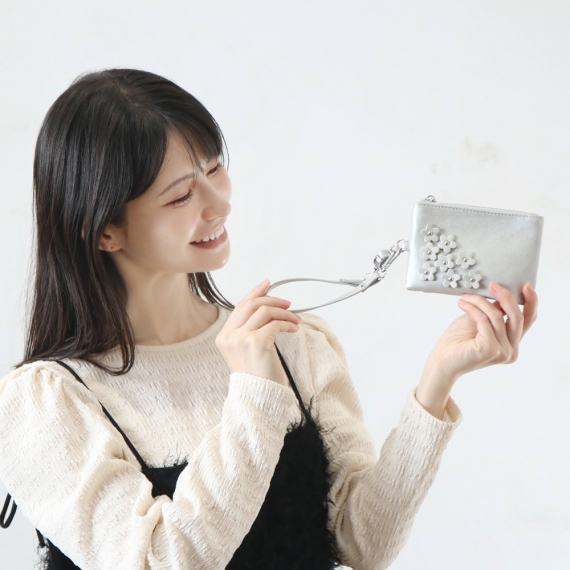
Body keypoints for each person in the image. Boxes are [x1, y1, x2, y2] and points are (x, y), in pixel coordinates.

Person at [0, 68, 538, 570]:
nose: (218, 204)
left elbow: (362, 542)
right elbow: (159, 559)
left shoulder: (293, 343)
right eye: (181, 196)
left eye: (214, 168)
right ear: (104, 231)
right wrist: (254, 394)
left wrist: (436, 382)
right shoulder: (47, 402)